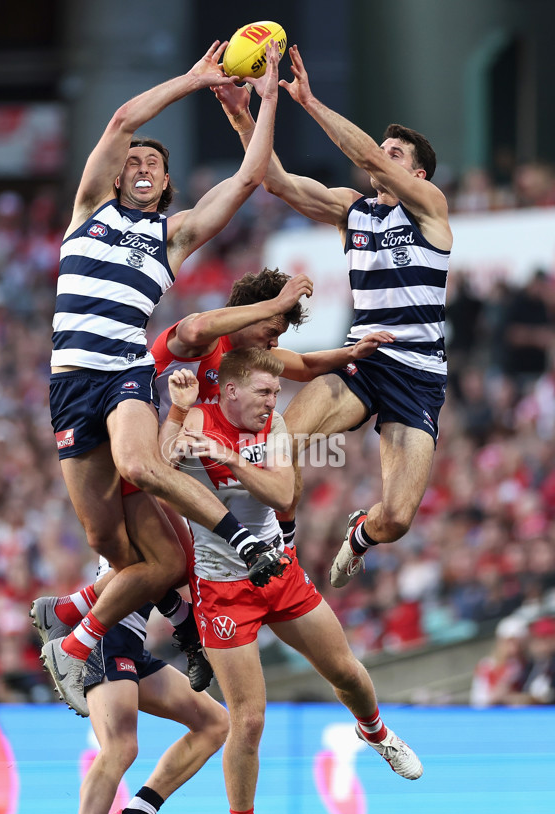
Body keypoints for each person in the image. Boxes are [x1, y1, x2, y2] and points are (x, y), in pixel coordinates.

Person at [41, 39, 294, 717]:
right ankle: (70, 620)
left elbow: (247, 179)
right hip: (71, 379)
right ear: (118, 177)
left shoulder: (172, 238)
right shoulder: (89, 213)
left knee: (140, 461)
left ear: (167, 182)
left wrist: (263, 104)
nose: (142, 164)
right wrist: (189, 80)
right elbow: (121, 120)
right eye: (135, 162)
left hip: (122, 370)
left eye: (156, 161)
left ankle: (236, 547)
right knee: (126, 554)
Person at [36, 268, 392, 703]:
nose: (275, 341)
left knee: (170, 565)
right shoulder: (203, 342)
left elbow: (308, 365)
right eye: (273, 328)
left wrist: (354, 352)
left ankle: (72, 611)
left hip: (166, 469)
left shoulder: (250, 365)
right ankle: (78, 644)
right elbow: (198, 325)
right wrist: (276, 304)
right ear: (249, 313)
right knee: (165, 566)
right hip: (139, 458)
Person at [165, 349, 423, 814]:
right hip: (222, 590)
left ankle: (375, 733)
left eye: (275, 393)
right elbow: (161, 463)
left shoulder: (276, 426)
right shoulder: (198, 417)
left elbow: (283, 492)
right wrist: (174, 415)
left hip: (276, 572)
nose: (273, 402)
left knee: (347, 672)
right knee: (250, 718)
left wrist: (229, 457)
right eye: (263, 392)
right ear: (231, 392)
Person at [214, 44, 452, 589]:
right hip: (363, 361)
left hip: (419, 378)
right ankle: (282, 545)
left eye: (395, 152)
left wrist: (311, 102)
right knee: (281, 443)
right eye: (382, 148)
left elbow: (366, 155)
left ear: (416, 172)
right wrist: (240, 113)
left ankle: (359, 537)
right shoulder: (353, 210)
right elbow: (276, 180)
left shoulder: (430, 209)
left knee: (396, 519)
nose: (380, 155)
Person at [54, 601, 228, 814]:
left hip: (130, 645)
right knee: (119, 747)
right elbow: (158, 580)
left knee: (214, 723)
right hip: (105, 639)